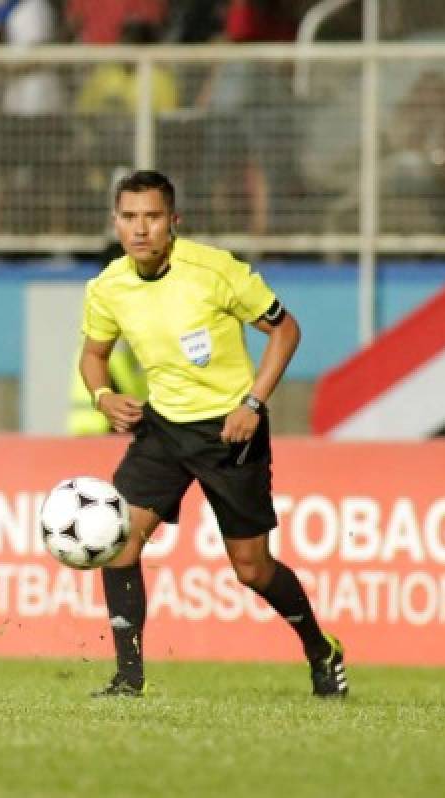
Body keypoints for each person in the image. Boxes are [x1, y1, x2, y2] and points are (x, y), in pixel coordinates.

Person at [77, 170, 347, 699]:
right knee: (119, 542)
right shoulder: (108, 286)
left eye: (152, 217)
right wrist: (102, 397)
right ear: (116, 222)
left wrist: (253, 402)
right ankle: (128, 680)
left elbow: (285, 330)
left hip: (229, 431)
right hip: (163, 429)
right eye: (129, 217)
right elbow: (94, 355)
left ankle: (321, 649)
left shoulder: (214, 270)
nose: (140, 229)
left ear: (172, 221)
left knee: (251, 569)